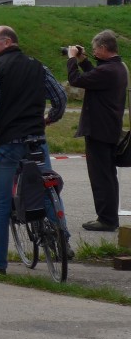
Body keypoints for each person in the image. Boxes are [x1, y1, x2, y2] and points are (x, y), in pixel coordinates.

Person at [0, 25, 67, 273]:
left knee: (0, 204)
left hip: (7, 144)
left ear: (6, 41)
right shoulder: (38, 66)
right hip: (37, 141)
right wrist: (51, 117)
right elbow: (60, 97)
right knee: (47, 190)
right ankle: (63, 243)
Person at [65, 30, 128, 232]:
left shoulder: (108, 70)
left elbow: (76, 80)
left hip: (100, 130)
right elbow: (93, 75)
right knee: (107, 175)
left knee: (101, 176)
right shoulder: (116, 67)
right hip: (108, 128)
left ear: (103, 48)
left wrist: (72, 60)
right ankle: (107, 217)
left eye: (94, 50)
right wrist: (83, 59)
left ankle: (107, 219)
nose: (93, 52)